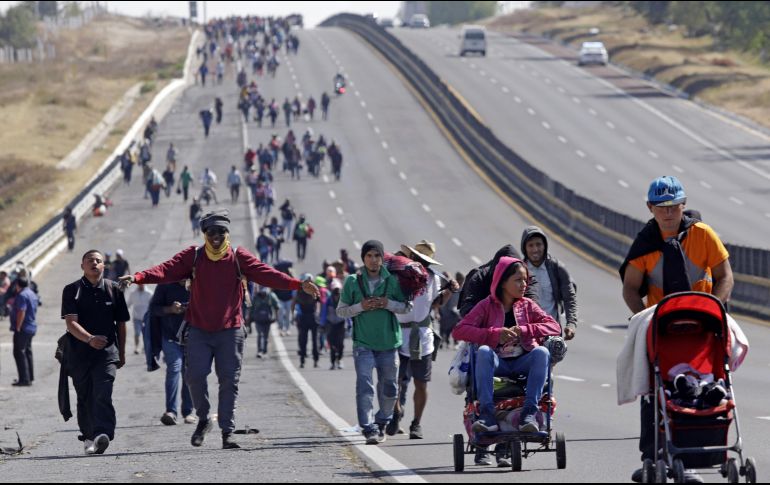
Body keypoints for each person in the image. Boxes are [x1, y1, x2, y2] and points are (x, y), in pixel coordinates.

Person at [119, 210, 319, 450]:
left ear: (228, 233)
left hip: (230, 330)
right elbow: (166, 269)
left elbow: (268, 275)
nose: (216, 236)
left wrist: (298, 285)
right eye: (211, 231)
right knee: (194, 377)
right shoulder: (193, 257)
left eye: (221, 231)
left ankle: (228, 432)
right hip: (198, 330)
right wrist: (138, 277)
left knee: (228, 381)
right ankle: (204, 419)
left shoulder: (238, 257)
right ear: (204, 234)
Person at [619, 176, 734, 484]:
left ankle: (698, 453)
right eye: (661, 208)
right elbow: (630, 288)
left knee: (707, 381)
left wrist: (717, 308)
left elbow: (725, 275)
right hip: (663, 327)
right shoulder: (645, 244)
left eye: (673, 206)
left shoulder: (703, 235)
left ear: (683, 205)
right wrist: (644, 316)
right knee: (651, 388)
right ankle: (650, 457)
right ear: (650, 208)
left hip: (704, 324)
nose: (668, 213)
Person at [452, 257, 560, 458]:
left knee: (542, 352)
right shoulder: (487, 305)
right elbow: (460, 331)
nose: (523, 285)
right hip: (497, 363)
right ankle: (487, 416)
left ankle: (529, 413)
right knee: (483, 352)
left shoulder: (527, 305)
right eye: (518, 280)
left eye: (525, 280)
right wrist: (494, 334)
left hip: (522, 362)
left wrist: (525, 330)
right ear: (502, 282)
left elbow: (554, 326)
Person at [336, 240, 411, 445]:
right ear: (363, 258)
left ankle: (382, 422)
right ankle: (368, 427)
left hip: (389, 342)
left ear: (382, 258)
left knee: (390, 387)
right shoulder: (353, 281)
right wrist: (360, 306)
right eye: (369, 256)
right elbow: (341, 311)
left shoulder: (392, 280)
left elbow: (406, 307)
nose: (373, 260)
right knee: (365, 386)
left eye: (377, 256)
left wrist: (388, 304)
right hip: (363, 343)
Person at [62, 250, 129, 455]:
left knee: (103, 391)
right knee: (85, 396)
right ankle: (89, 436)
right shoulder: (71, 290)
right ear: (82, 265)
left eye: (98, 261)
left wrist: (122, 353)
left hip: (107, 353)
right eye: (90, 260)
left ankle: (103, 433)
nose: (94, 263)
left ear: (104, 266)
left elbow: (121, 324)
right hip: (79, 353)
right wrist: (90, 339)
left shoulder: (114, 289)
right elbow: (71, 323)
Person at [389, 241, 459, 439]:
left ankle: (416, 423)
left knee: (421, 383)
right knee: (393, 381)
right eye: (417, 258)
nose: (420, 263)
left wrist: (449, 291)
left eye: (424, 260)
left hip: (422, 336)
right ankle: (396, 411)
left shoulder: (433, 278)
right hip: (397, 334)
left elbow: (436, 303)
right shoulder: (398, 275)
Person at [521, 226, 578, 342]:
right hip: (527, 333)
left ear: (545, 246)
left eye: (538, 244)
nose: (535, 249)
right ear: (524, 248)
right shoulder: (518, 270)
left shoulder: (557, 268)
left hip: (551, 332)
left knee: (548, 359)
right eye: (531, 245)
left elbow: (569, 298)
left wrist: (571, 324)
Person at [151, 282, 196, 425]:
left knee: (189, 373)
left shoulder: (198, 282)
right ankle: (171, 411)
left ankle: (188, 412)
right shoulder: (165, 285)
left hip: (193, 338)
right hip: (170, 337)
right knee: (174, 369)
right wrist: (170, 309)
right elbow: (154, 309)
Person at [458, 244, 539, 317]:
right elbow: (466, 309)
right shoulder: (479, 277)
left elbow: (535, 310)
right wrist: (490, 325)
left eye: (523, 279)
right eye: (517, 279)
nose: (523, 284)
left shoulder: (527, 278)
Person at [10, 276, 38, 386]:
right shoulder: (31, 293)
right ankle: (29, 377)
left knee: (19, 352)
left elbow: (22, 311)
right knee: (27, 352)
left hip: (23, 328)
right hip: (31, 327)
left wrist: (18, 326)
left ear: (17, 285)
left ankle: (24, 379)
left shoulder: (21, 295)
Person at [294, 273, 321, 368]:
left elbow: (295, 303)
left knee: (307, 340)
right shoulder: (312, 289)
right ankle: (309, 360)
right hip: (308, 317)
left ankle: (306, 360)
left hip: (307, 317)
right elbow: (318, 302)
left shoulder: (301, 291)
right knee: (308, 340)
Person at [323, 279, 346, 370]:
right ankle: (332, 362)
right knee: (332, 345)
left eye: (338, 290)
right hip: (330, 324)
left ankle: (339, 360)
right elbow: (324, 313)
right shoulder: (328, 301)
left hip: (341, 324)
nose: (337, 293)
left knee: (340, 344)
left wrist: (349, 324)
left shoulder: (344, 300)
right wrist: (322, 324)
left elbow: (348, 313)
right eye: (335, 290)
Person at [249, 287, 280, 358]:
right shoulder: (256, 297)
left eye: (264, 294)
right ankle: (259, 351)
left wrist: (276, 317)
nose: (263, 295)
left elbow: (277, 306)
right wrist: (250, 319)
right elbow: (251, 307)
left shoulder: (271, 296)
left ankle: (265, 351)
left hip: (267, 320)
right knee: (260, 334)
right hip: (258, 319)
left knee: (265, 336)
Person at [438, 271, 464, 350]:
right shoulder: (452, 286)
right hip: (446, 311)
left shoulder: (461, 288)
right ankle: (443, 340)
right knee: (443, 327)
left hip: (454, 313)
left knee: (454, 326)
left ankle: (454, 341)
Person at [127, 284, 152, 355]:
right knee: (137, 333)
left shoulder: (149, 293)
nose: (141, 285)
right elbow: (128, 303)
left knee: (146, 333)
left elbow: (152, 305)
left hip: (146, 317)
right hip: (136, 317)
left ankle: (145, 347)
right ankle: (137, 347)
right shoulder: (133, 293)